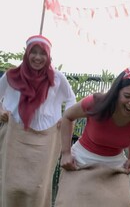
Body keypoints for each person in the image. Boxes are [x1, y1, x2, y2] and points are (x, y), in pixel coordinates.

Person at [55, 68, 130, 207]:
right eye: (127, 96)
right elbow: (68, 116)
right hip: (81, 161)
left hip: (115, 166)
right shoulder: (96, 102)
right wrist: (66, 153)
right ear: (116, 92)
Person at [0, 35, 76, 207]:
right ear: (26, 54)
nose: (37, 57)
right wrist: (1, 110)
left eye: (42, 53)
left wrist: (65, 117)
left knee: (37, 188)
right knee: (11, 187)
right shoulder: (12, 76)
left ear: (48, 56)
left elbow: (71, 99)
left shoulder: (57, 78)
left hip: (46, 139)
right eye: (33, 52)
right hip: (14, 135)